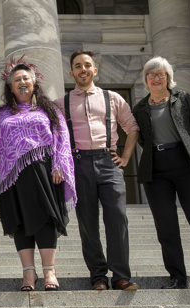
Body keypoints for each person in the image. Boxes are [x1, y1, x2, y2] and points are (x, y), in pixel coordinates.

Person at [0, 60, 76, 291]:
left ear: (34, 83)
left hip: (44, 172)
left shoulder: (49, 110)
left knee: (45, 220)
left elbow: (62, 137)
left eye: (25, 78)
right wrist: (5, 160)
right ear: (10, 88)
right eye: (17, 80)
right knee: (19, 222)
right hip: (11, 176)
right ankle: (28, 274)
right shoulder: (0, 115)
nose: (22, 82)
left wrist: (60, 164)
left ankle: (49, 271)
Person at [132, 56, 190, 289]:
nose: (156, 78)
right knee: (166, 229)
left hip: (187, 164)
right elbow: (142, 138)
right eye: (151, 75)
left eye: (160, 74)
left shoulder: (183, 98)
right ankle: (177, 278)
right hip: (156, 169)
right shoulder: (140, 108)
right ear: (145, 79)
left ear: (168, 77)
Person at [54, 49, 140, 291]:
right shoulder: (61, 103)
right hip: (78, 164)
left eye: (87, 65)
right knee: (87, 222)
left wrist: (125, 156)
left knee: (117, 219)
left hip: (108, 162)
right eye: (78, 66)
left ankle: (121, 275)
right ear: (71, 72)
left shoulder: (112, 98)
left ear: (95, 69)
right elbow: (50, 134)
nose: (83, 69)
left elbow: (132, 127)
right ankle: (98, 276)